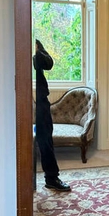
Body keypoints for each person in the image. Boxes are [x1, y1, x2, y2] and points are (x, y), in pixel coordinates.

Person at [33, 40, 71, 191]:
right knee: (43, 141)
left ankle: (51, 177)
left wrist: (39, 51)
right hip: (30, 105)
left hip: (41, 103)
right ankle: (50, 177)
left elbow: (48, 64)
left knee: (46, 140)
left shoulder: (34, 50)